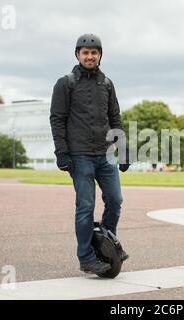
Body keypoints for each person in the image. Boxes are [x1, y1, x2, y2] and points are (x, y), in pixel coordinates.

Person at [50, 34, 129, 275]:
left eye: (94, 52)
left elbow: (114, 118)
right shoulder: (66, 83)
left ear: (100, 55)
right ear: (77, 55)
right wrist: (62, 153)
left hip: (105, 155)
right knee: (86, 205)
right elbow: (57, 119)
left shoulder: (107, 83)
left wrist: (123, 151)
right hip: (80, 155)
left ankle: (105, 244)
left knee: (115, 201)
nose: (90, 56)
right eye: (85, 52)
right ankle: (86, 257)